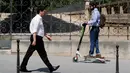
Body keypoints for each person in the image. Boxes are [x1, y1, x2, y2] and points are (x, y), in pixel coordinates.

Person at [20, 6, 60, 73]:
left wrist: (46, 35)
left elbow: (40, 30)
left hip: (37, 38)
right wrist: (34, 40)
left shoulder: (39, 18)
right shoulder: (37, 19)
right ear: (40, 11)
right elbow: (35, 30)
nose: (45, 12)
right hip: (37, 38)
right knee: (42, 54)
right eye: (44, 11)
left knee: (31, 53)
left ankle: (22, 67)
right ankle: (51, 68)